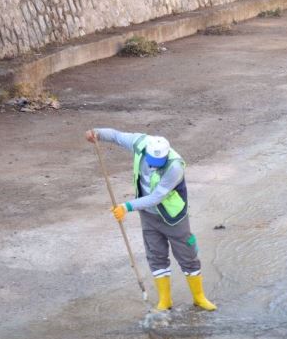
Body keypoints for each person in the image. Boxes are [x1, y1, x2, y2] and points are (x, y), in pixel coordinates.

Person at [86, 128, 217, 312]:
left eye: (158, 163)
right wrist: (97, 133)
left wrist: (126, 207)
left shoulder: (175, 167)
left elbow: (156, 197)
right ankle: (165, 301)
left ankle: (199, 297)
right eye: (151, 161)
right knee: (156, 255)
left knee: (188, 255)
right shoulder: (140, 143)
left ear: (166, 156)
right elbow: (116, 136)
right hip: (148, 216)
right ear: (146, 152)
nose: (153, 166)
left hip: (173, 217)